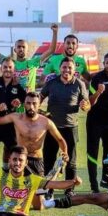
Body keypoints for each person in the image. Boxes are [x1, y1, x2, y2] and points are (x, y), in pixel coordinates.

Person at [0, 92, 69, 209]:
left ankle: (45, 198)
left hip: (37, 161)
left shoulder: (46, 122)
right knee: (13, 198)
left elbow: (61, 140)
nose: (31, 107)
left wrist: (64, 154)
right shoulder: (16, 117)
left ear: (39, 104)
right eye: (28, 103)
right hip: (20, 160)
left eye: (34, 103)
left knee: (38, 206)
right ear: (24, 104)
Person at [40, 57, 91, 197]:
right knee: (49, 160)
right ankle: (48, 189)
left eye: (70, 68)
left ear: (74, 70)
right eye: (64, 67)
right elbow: (39, 98)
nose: (67, 70)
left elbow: (87, 105)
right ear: (60, 68)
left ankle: (69, 190)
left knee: (71, 161)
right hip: (52, 128)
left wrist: (85, 106)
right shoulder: (51, 83)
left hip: (70, 128)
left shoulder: (79, 84)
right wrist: (39, 111)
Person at [0, 22, 58, 92]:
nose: (21, 49)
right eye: (19, 47)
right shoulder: (9, 63)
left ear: (27, 49)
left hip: (28, 103)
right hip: (12, 103)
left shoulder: (33, 62)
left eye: (23, 47)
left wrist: (55, 32)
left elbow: (51, 50)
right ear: (15, 49)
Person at [86, 52, 108, 193]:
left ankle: (105, 180)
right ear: (104, 63)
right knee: (92, 153)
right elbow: (89, 102)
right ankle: (94, 185)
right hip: (95, 122)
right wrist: (98, 92)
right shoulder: (97, 79)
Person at [0, 57, 26, 168]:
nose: (8, 69)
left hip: (10, 127)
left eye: (10, 67)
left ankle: (7, 176)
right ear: (1, 68)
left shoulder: (18, 87)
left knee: (14, 155)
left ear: (14, 69)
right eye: (5, 67)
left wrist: (19, 102)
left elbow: (25, 101)